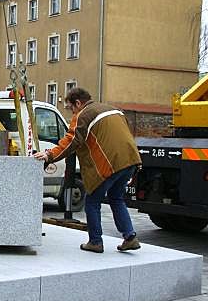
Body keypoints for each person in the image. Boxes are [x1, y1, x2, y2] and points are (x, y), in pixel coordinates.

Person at [34, 87, 142, 253]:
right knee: (116, 198)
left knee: (92, 201)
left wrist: (49, 155)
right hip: (131, 160)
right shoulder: (114, 111)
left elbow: (71, 141)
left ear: (78, 103)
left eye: (71, 107)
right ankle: (130, 237)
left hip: (109, 164)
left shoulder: (84, 114)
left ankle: (95, 242)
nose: (72, 112)